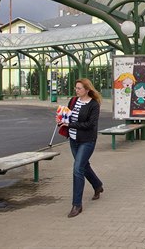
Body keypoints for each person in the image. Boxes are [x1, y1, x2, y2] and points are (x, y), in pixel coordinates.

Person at [56, 78, 104, 218]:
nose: (76, 91)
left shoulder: (94, 105)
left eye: (79, 88)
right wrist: (61, 120)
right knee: (84, 166)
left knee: (78, 169)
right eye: (76, 88)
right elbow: (68, 117)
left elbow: (90, 124)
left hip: (87, 140)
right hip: (73, 139)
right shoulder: (73, 101)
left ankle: (77, 205)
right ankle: (98, 185)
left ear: (87, 90)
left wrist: (70, 125)